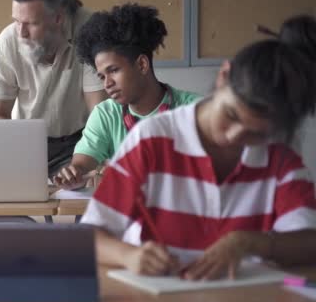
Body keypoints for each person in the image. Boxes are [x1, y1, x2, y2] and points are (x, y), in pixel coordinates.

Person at [81, 16, 316, 280]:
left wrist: (249, 242)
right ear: (223, 76)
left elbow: (309, 243)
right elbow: (89, 234)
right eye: (231, 115)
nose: (234, 136)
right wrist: (128, 255)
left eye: (257, 134)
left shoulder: (278, 155)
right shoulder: (152, 140)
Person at [53, 3, 201, 190]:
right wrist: (73, 174)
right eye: (101, 76)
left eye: (113, 70)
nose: (107, 83)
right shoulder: (105, 114)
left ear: (141, 65)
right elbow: (82, 164)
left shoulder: (194, 110)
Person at [0, 0, 107, 177]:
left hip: (81, 138)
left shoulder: (90, 31)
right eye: (16, 21)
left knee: (86, 200)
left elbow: (99, 112)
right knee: (5, 204)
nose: (21, 33)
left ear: (58, 18)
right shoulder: (6, 45)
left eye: (31, 23)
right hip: (23, 139)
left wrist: (84, 164)